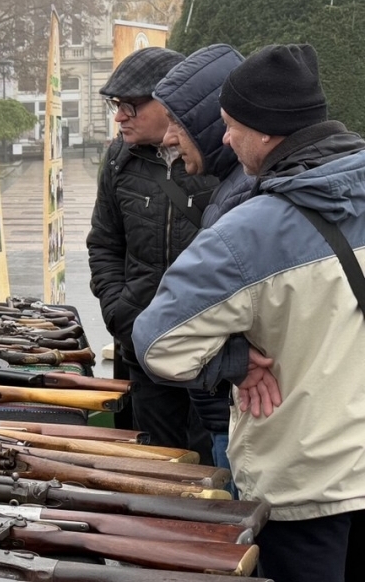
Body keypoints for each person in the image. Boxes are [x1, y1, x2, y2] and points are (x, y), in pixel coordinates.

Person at [133, 43, 365, 582]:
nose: (224, 139)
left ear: (264, 131)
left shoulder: (246, 233)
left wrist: (232, 362)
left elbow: (156, 343)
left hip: (304, 492)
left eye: (230, 125)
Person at [85, 46, 217, 461]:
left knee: (212, 467)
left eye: (130, 105)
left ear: (171, 102)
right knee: (159, 462)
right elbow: (104, 243)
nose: (119, 116)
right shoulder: (118, 159)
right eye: (115, 104)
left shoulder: (221, 160)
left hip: (211, 352)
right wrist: (120, 313)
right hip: (143, 344)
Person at [151, 43, 247, 483]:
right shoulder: (233, 190)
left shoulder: (242, 200)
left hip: (236, 417)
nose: (168, 137)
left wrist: (230, 365)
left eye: (177, 122)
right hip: (226, 413)